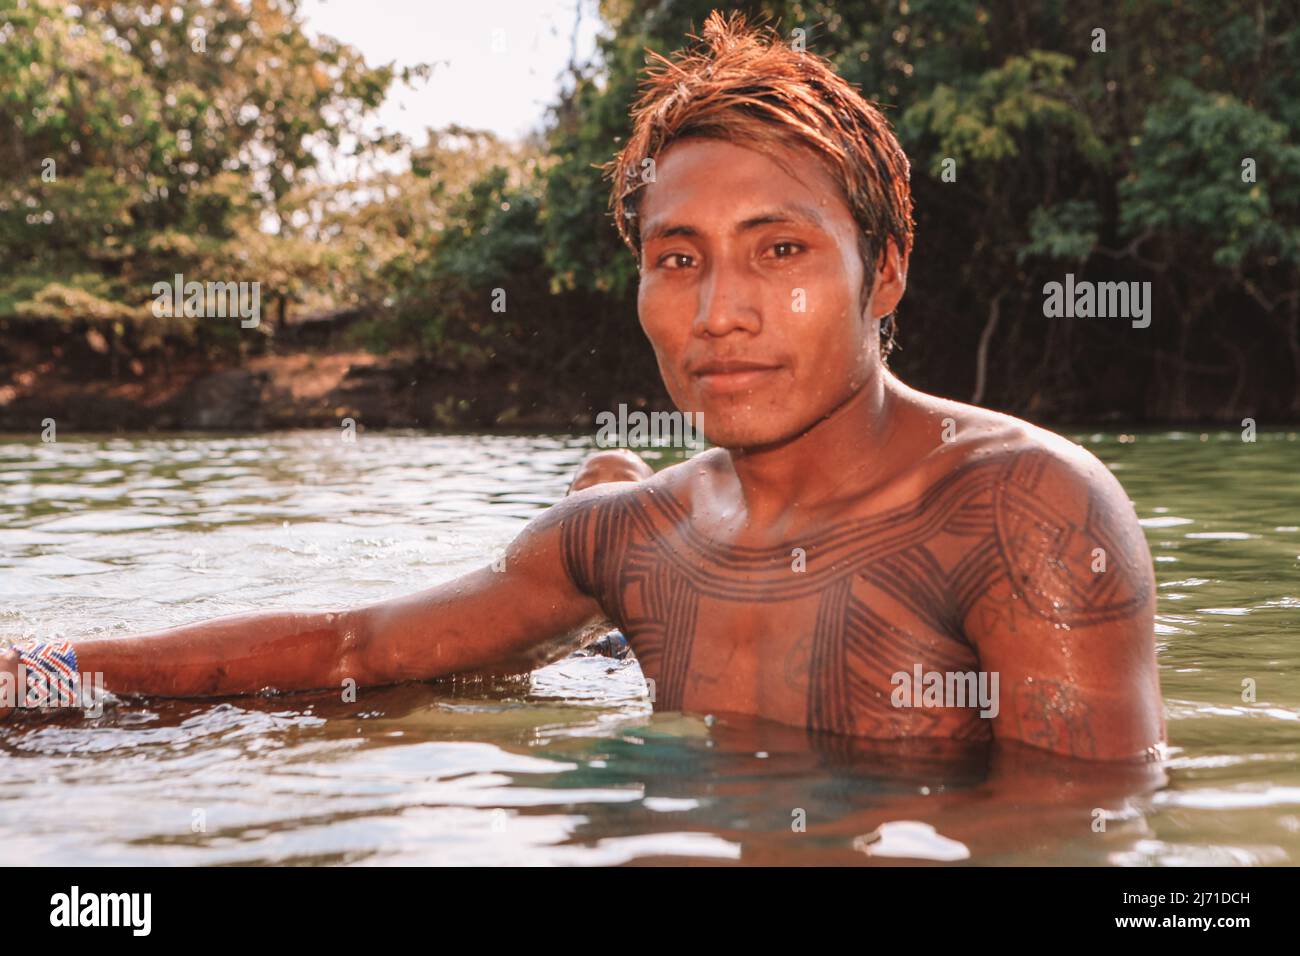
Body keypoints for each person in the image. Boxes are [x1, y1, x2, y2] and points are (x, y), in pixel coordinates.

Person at [1, 11, 1163, 762]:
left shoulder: (1024, 512)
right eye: (677, 259)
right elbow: (352, 645)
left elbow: (1072, 842)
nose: (720, 310)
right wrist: (44, 676)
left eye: (781, 249)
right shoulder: (626, 540)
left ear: (886, 270)